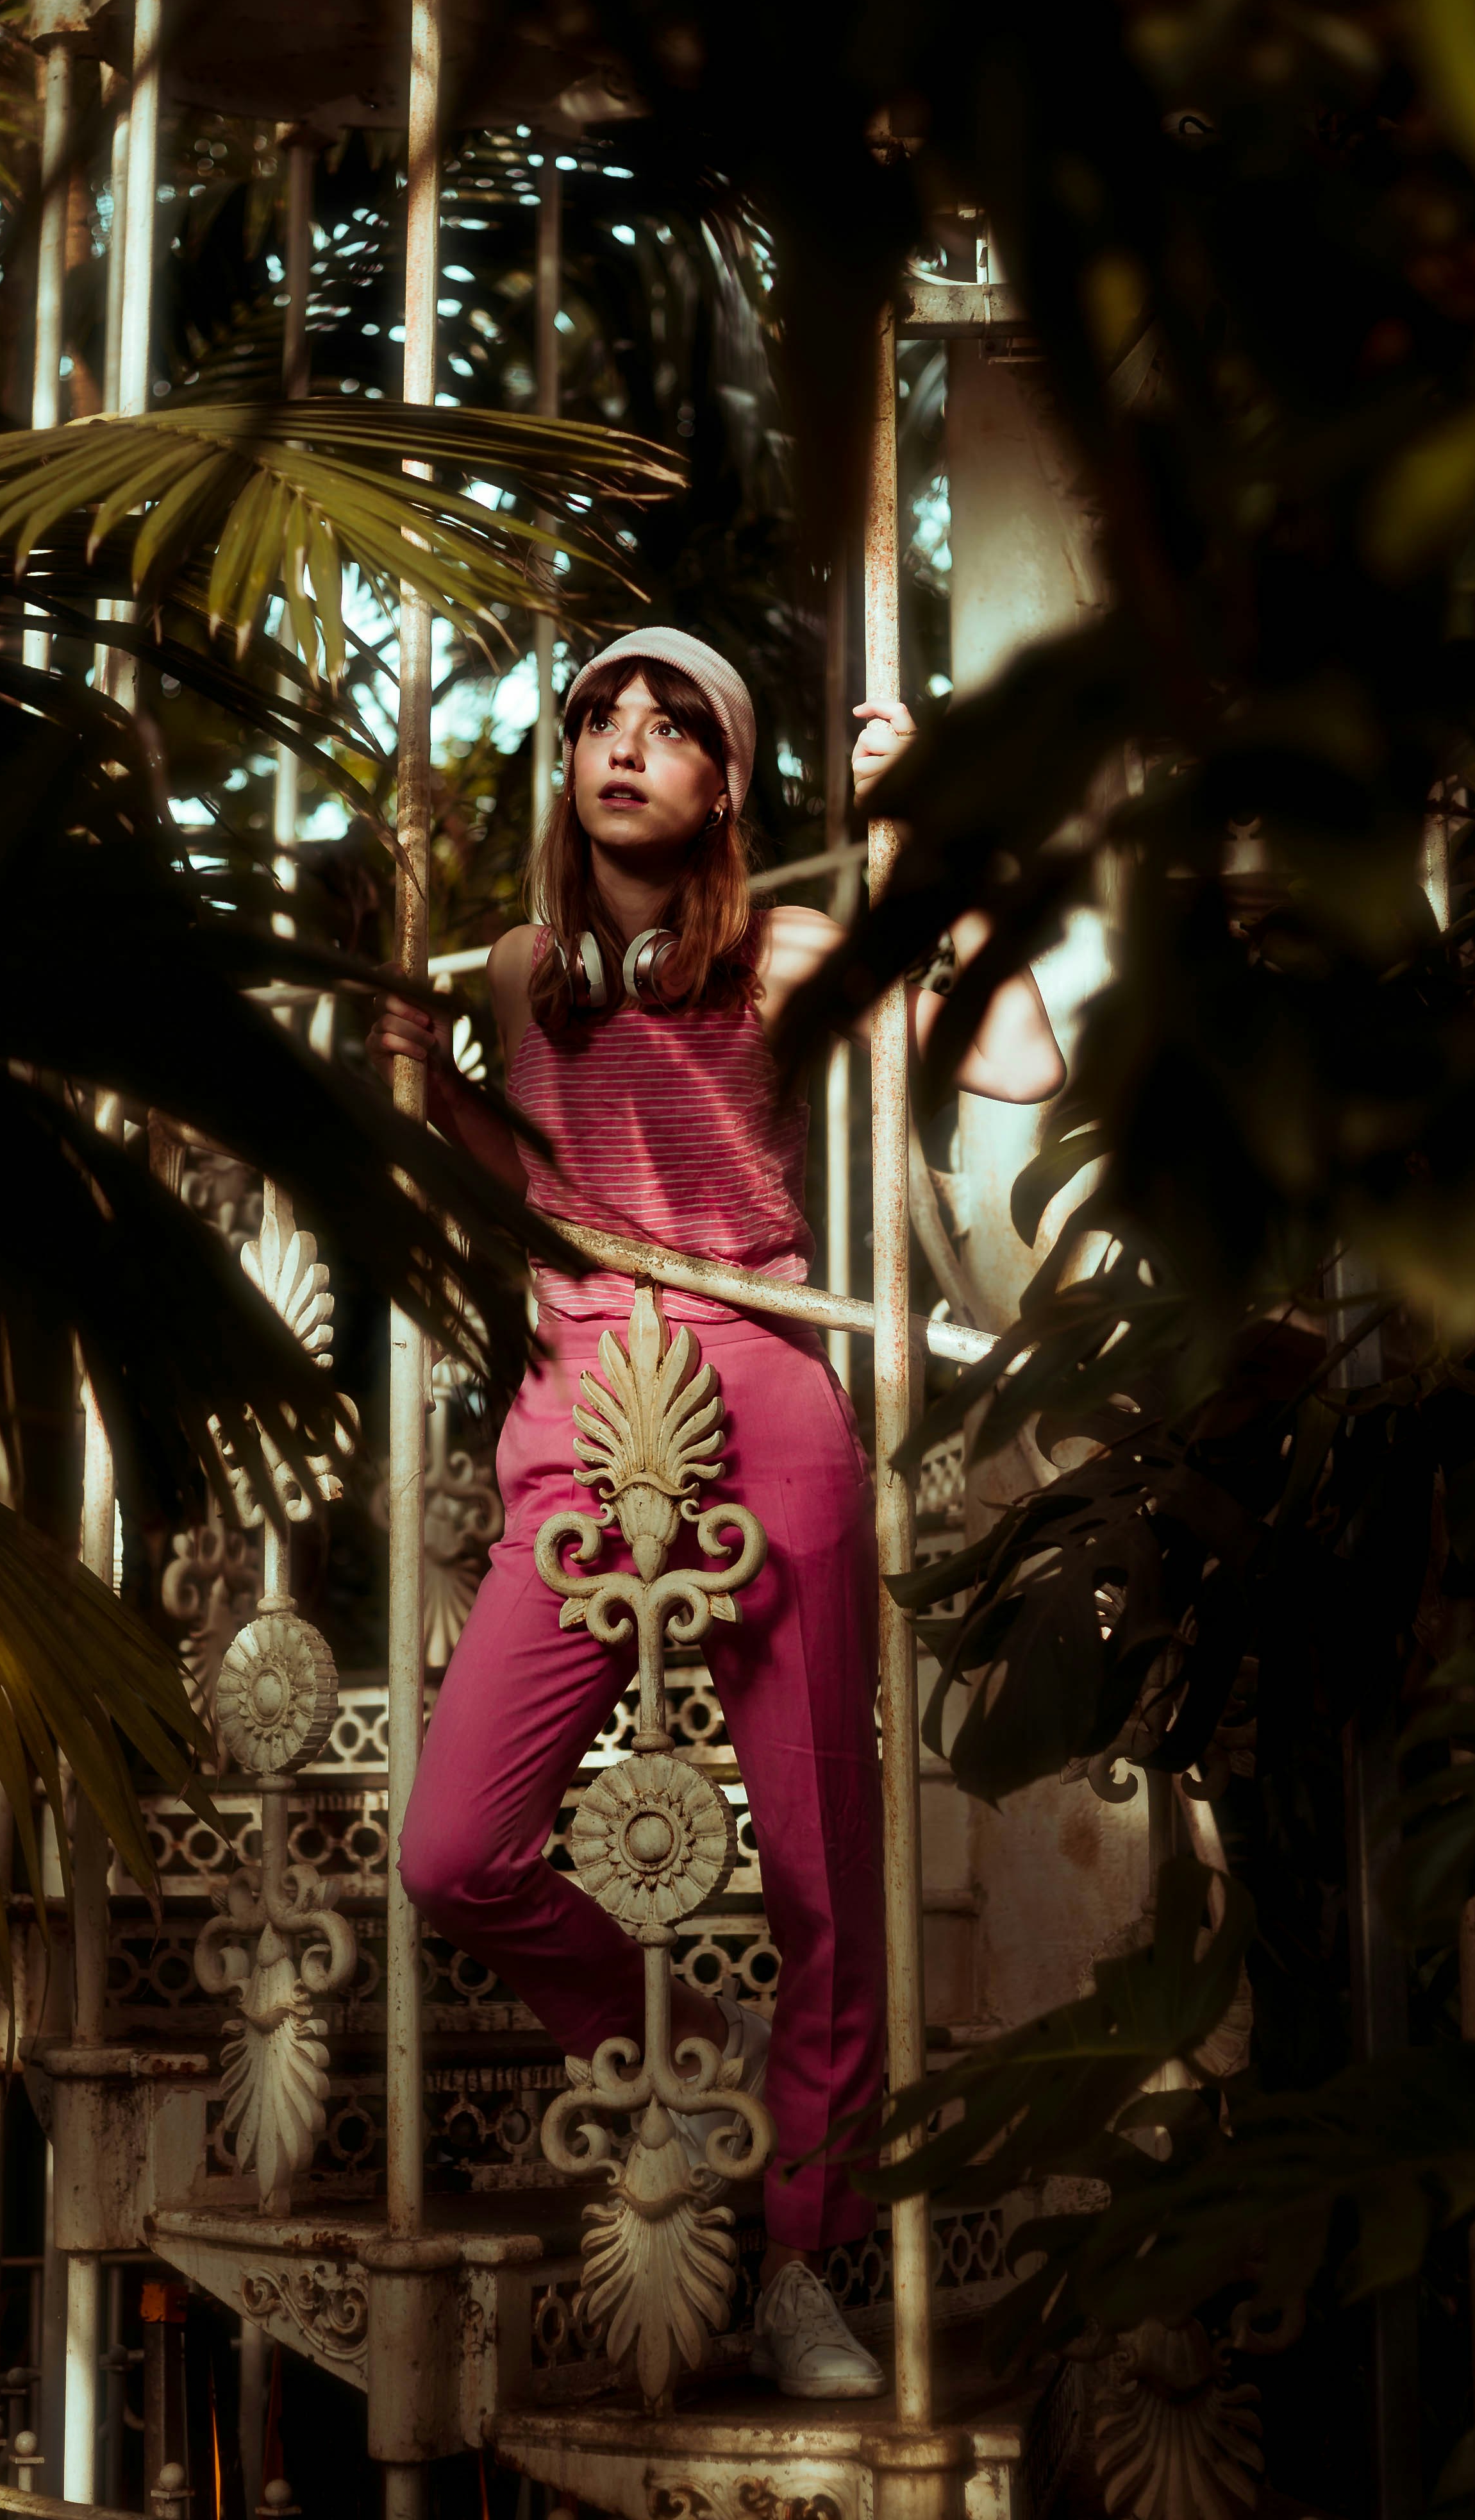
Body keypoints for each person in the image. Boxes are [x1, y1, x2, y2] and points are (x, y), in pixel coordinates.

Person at [368, 628, 1062, 2399]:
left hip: (765, 1387)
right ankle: (706, 2049)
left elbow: (1025, 1068)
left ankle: (807, 2264)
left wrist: (947, 830)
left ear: (727, 786)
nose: (629, 744)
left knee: (832, 1873)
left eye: (676, 728)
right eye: (605, 714)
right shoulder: (525, 971)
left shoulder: (793, 945)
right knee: (455, 1847)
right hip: (578, 1406)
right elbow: (517, 1184)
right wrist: (425, 1078)